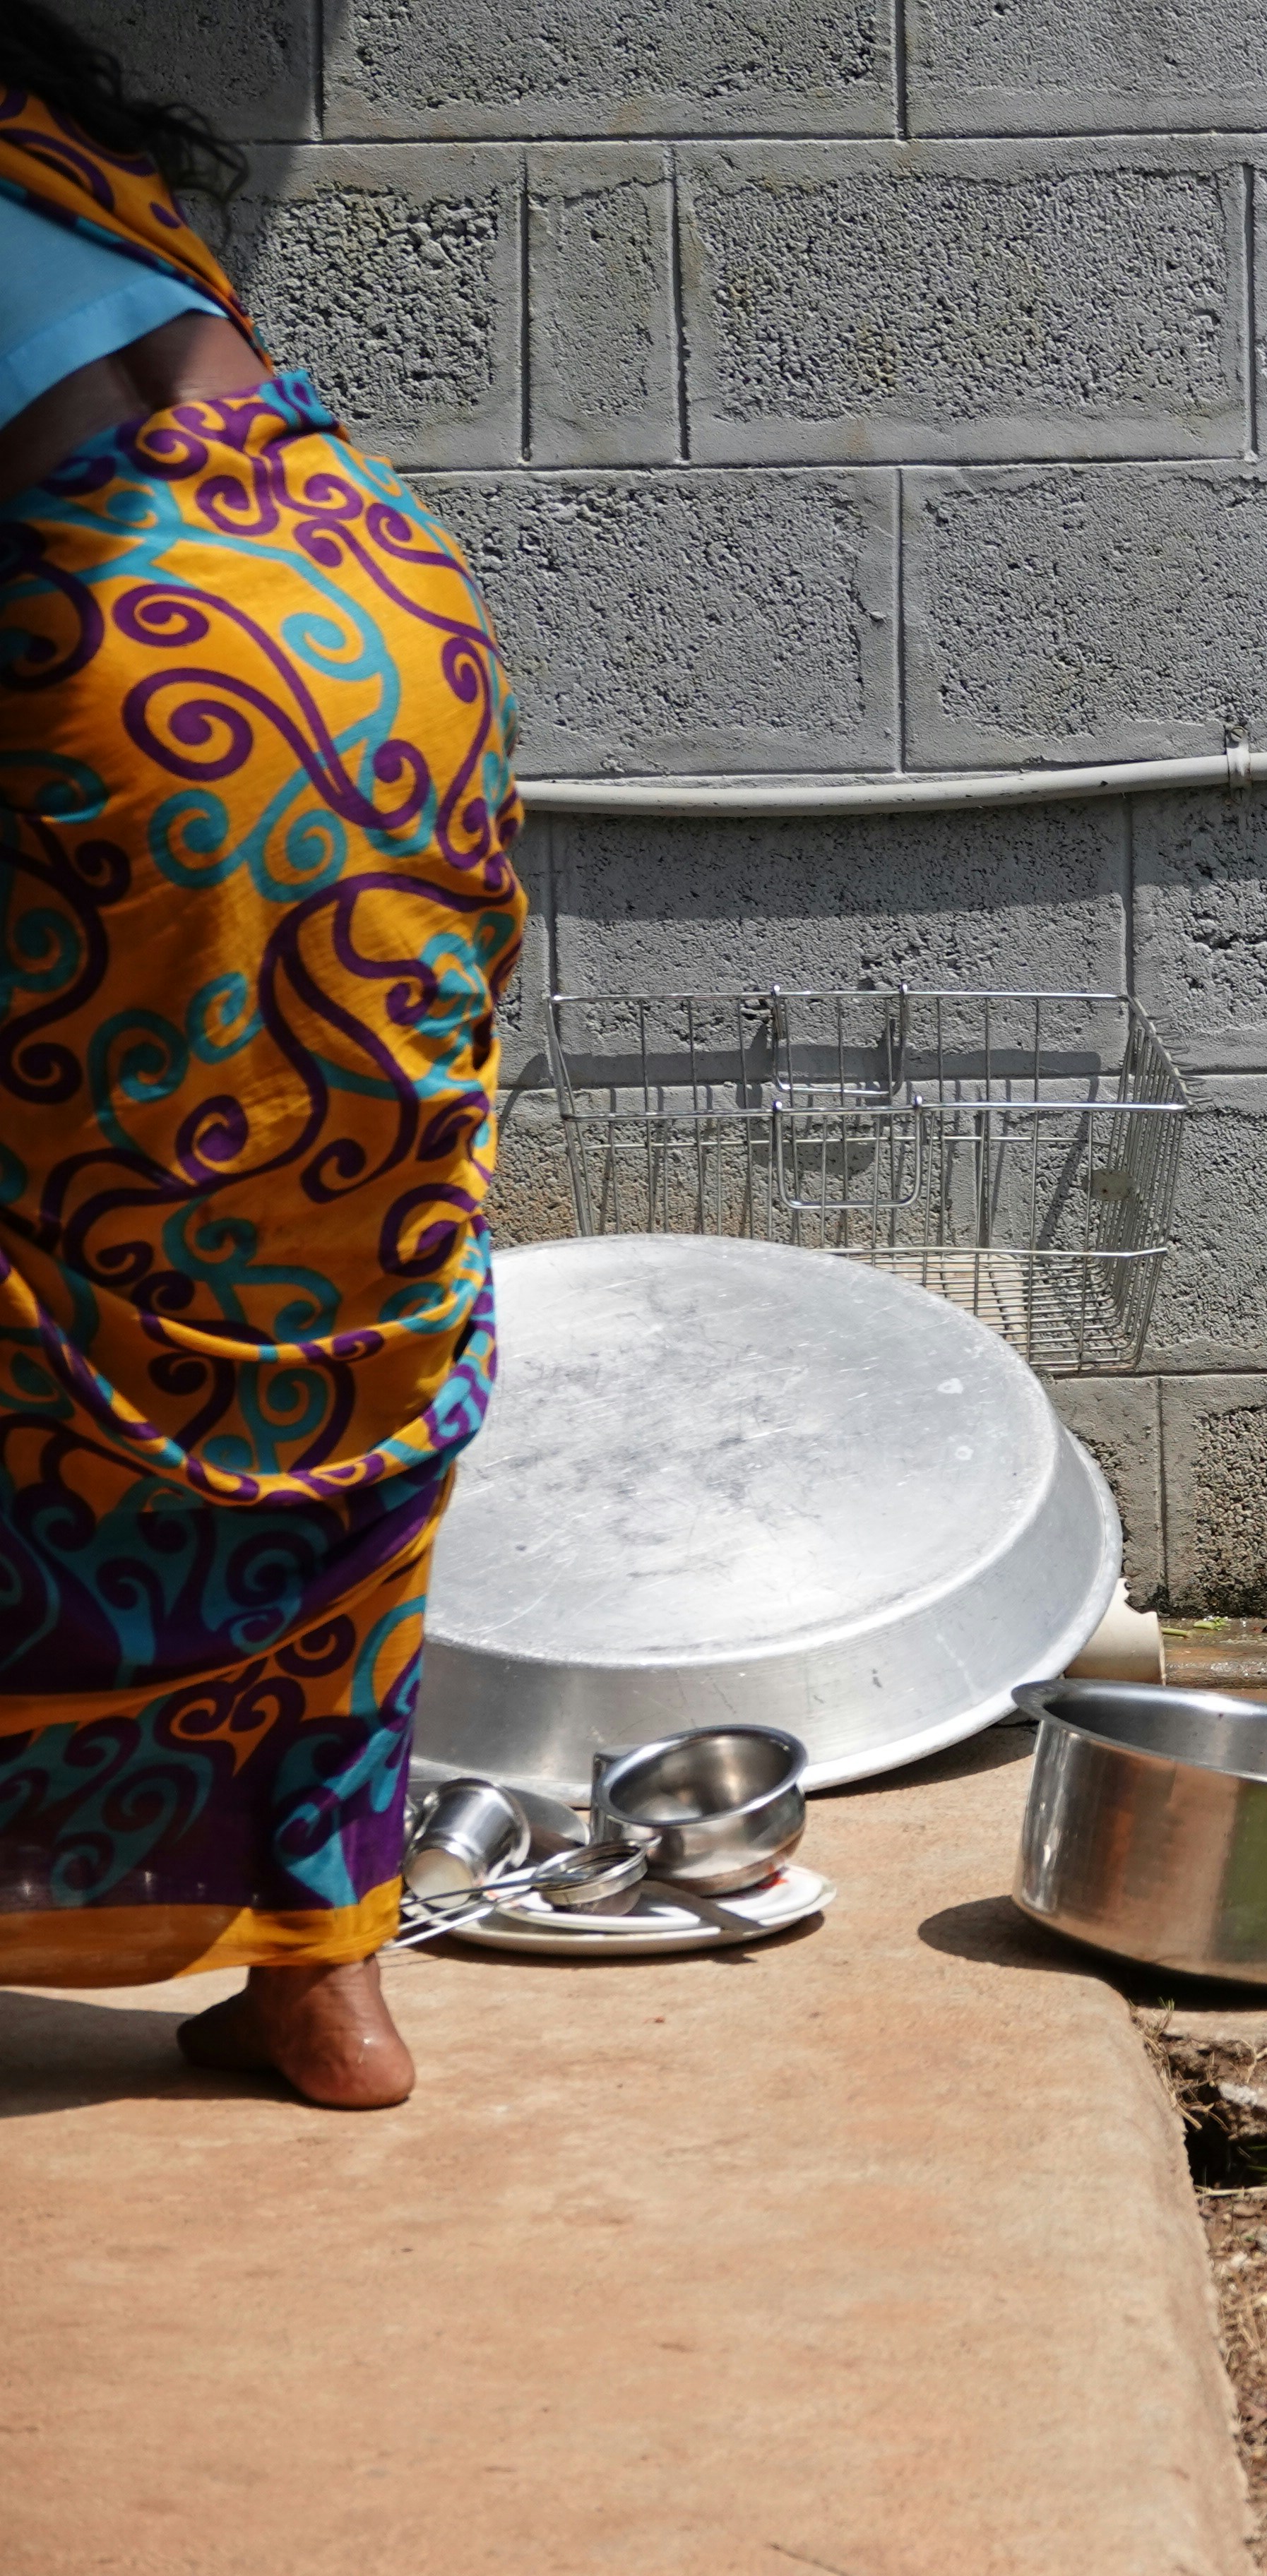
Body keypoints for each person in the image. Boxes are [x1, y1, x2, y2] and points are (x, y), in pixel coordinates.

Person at [0, 14, 523, 2106]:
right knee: (330, 1269)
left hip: (121, 653)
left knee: (52, 1302)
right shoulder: (71, 185)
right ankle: (323, 1977)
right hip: (380, 634)